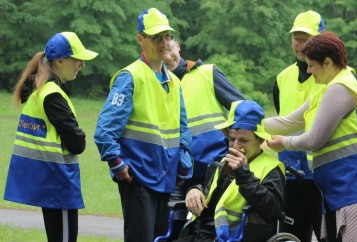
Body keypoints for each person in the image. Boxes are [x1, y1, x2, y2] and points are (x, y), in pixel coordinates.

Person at [265, 31, 357, 242]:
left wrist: (284, 143)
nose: (308, 71)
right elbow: (289, 121)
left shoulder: (341, 88)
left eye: (311, 65)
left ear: (327, 62)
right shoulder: (326, 89)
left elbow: (314, 140)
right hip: (345, 191)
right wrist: (249, 127)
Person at [93, 8, 193, 242]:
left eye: (167, 36)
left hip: (166, 178)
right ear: (141, 39)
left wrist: (185, 162)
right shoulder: (130, 77)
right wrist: (117, 164)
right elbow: (104, 131)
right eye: (156, 37)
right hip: (138, 178)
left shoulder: (175, 82)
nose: (163, 42)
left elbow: (183, 129)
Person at [4, 32, 98, 242]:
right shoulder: (53, 95)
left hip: (49, 182)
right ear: (60, 60)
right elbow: (78, 142)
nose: (82, 64)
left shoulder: (40, 91)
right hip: (59, 183)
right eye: (77, 59)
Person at [174, 100, 286, 242]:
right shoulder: (222, 162)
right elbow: (209, 192)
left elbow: (273, 211)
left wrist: (243, 175)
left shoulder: (270, 168)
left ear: (260, 140)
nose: (236, 146)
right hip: (201, 234)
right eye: (232, 139)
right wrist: (194, 189)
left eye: (244, 140)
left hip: (233, 237)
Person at [164, 39, 245, 200]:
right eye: (162, 52)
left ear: (178, 45)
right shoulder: (156, 84)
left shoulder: (207, 73)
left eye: (170, 49)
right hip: (176, 175)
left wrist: (237, 142)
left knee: (215, 224)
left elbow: (243, 109)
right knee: (174, 223)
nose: (167, 57)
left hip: (218, 170)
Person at [272, 10, 326, 242]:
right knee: (291, 237)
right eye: (297, 38)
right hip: (290, 177)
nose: (301, 45)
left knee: (329, 235)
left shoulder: (333, 78)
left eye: (307, 39)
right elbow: (282, 120)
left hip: (322, 177)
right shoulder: (282, 78)